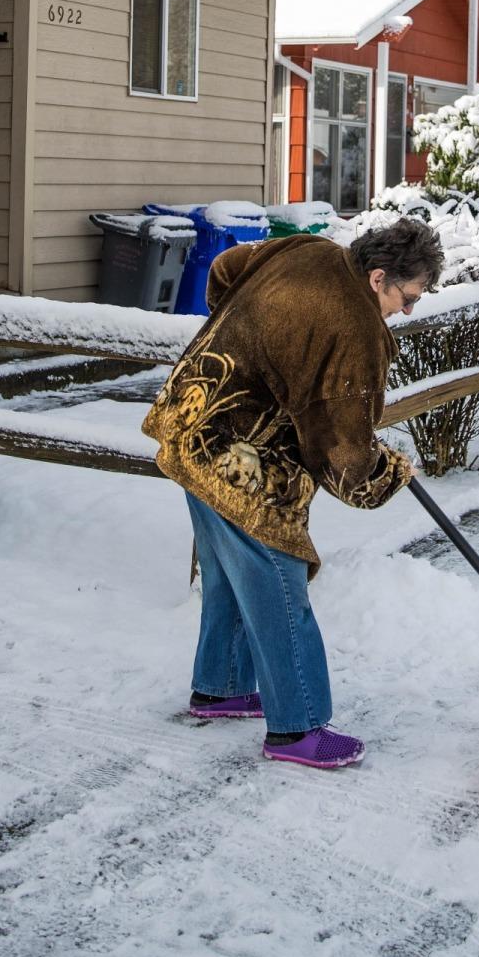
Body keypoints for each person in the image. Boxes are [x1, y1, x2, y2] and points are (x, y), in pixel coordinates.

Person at [141, 217, 444, 769]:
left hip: (192, 417)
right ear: (378, 278)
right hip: (240, 459)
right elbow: (345, 456)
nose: (407, 311)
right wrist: (389, 474)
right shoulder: (352, 329)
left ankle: (223, 687)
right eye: (408, 297)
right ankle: (298, 726)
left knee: (232, 572)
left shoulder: (313, 249)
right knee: (279, 582)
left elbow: (225, 267)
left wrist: (252, 347)